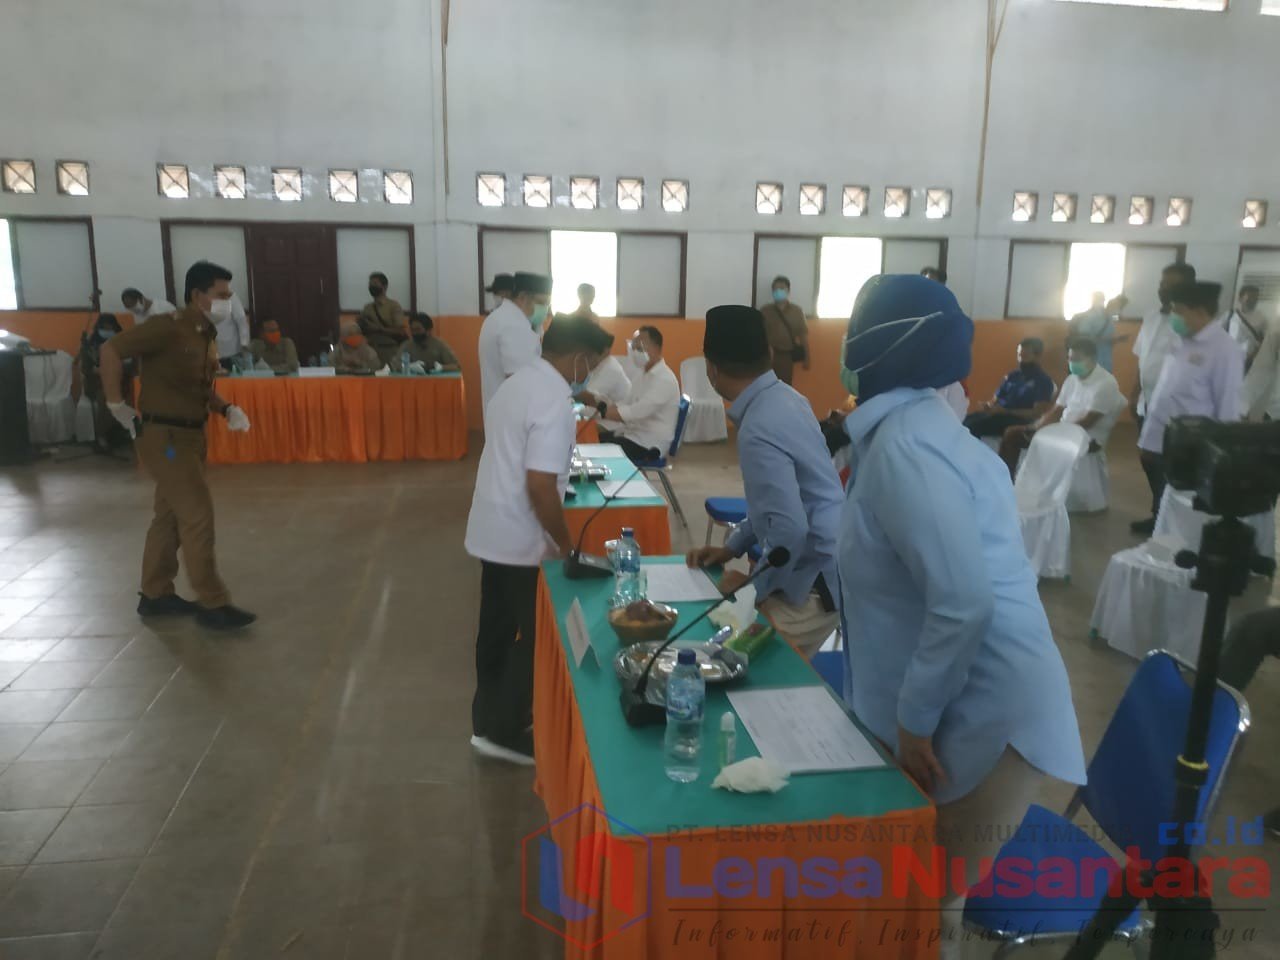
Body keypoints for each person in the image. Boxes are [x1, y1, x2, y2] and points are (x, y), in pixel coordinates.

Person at [834, 274, 1086, 959]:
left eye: (856, 329)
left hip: (989, 706)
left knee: (918, 905)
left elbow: (964, 601)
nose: (846, 346)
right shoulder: (910, 430)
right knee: (915, 900)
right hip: (964, 690)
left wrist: (914, 721)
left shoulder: (907, 445)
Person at [465, 316, 615, 765]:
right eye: (593, 364)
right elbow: (540, 485)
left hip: (491, 528)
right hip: (520, 538)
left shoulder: (515, 384)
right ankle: (504, 732)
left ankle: (485, 720)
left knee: (495, 629)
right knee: (538, 637)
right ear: (579, 358)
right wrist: (567, 546)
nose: (590, 373)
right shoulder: (552, 400)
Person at [97, 261, 257, 630]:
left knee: (169, 515)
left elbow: (197, 385)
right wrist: (116, 403)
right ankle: (213, 602)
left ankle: (155, 594)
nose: (227, 301)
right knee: (197, 514)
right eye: (221, 295)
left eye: (229, 295)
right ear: (197, 295)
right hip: (166, 439)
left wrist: (225, 408)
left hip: (191, 434)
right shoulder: (167, 327)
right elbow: (110, 350)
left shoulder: (204, 333)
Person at [685, 305, 842, 658]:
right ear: (769, 354)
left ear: (711, 369)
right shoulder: (788, 398)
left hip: (812, 587)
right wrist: (733, 547)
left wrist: (754, 587)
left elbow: (790, 528)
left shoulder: (758, 427)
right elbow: (773, 506)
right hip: (827, 564)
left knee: (725, 657)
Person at [1133, 280, 1244, 535]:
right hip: (1160, 432)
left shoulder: (1225, 350)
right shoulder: (1182, 339)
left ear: (1200, 312)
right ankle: (1158, 521)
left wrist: (1219, 454)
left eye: (1179, 310)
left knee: (1182, 497)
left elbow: (1227, 406)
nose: (1174, 315)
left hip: (1191, 443)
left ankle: (1177, 537)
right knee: (1161, 486)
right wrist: (1148, 437)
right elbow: (1166, 387)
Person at [996, 338, 1125, 479]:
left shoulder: (1105, 384)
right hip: (1063, 430)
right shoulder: (1072, 379)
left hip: (1087, 438)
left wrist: (1054, 431)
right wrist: (1037, 426)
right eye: (1069, 358)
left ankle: (1026, 482)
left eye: (1076, 359)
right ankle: (1004, 480)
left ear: (1092, 359)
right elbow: (1057, 410)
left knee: (1028, 439)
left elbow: (1088, 421)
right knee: (1012, 434)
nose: (1072, 363)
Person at [596, 326, 681, 464]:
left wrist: (604, 413)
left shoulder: (665, 379)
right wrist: (606, 410)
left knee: (595, 449)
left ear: (657, 348)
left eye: (640, 348)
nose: (635, 352)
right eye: (633, 348)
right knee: (592, 438)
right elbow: (626, 402)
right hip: (632, 434)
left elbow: (636, 412)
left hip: (648, 443)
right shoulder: (642, 375)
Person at [477, 271, 550, 414]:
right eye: (541, 303)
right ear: (522, 297)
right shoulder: (514, 325)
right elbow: (521, 381)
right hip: (514, 413)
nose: (545, 309)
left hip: (503, 411)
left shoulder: (502, 317)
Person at [962, 338, 1056, 439]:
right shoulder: (1013, 375)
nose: (1020, 360)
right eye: (1019, 355)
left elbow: (1036, 413)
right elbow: (995, 399)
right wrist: (988, 405)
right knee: (963, 420)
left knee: (972, 426)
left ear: (1037, 357)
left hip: (1017, 420)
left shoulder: (1043, 381)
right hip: (998, 415)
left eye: (1025, 356)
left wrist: (1006, 411)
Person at [80, 314, 128, 450]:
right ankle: (102, 435)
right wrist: (97, 370)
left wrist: (119, 367)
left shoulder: (122, 343)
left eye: (109, 328)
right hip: (96, 384)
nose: (107, 331)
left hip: (119, 382)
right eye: (104, 328)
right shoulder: (90, 345)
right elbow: (85, 368)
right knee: (107, 400)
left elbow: (130, 364)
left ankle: (117, 432)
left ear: (115, 328)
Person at [758, 275, 809, 386]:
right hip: (767, 357)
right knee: (765, 387)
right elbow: (758, 335)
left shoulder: (796, 311)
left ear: (788, 290)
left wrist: (807, 357)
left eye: (781, 288)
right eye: (775, 289)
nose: (778, 291)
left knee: (784, 387)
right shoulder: (765, 311)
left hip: (786, 357)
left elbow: (803, 335)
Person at [359, 272, 409, 367]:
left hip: (389, 349)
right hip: (371, 350)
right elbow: (362, 329)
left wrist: (379, 329)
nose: (371, 286)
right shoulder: (367, 308)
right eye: (370, 284)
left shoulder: (393, 306)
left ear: (385, 286)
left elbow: (400, 331)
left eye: (375, 284)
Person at [575, 333, 631, 410]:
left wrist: (568, 389)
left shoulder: (611, 369)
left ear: (605, 351)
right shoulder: (598, 365)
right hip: (604, 411)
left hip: (618, 414)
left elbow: (590, 397)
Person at [1223, 284, 1266, 369]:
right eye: (1249, 297)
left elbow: (1265, 341)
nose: (1253, 300)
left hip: (1250, 362)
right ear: (1240, 298)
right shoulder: (1230, 315)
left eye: (1255, 298)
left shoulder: (1262, 318)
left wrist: (1254, 355)